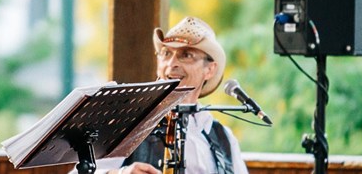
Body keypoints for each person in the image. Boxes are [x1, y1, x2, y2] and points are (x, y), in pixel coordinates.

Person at [96, 17, 249, 174]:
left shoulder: (224, 137)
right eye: (166, 53)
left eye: (186, 55)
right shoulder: (129, 123)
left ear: (209, 70)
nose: (171, 64)